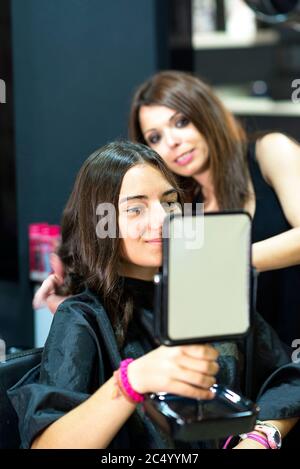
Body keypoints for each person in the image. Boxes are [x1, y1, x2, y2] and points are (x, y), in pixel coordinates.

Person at [9, 141, 300, 449]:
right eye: (136, 208)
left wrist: (262, 435)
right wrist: (130, 382)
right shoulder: (83, 317)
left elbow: (288, 379)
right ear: (101, 222)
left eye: (170, 202)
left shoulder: (208, 295)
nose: (163, 220)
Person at [128, 70, 300, 346]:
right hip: (251, 364)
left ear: (206, 113)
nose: (172, 142)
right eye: (155, 137)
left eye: (181, 122)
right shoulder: (181, 207)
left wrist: (227, 258)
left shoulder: (270, 151)